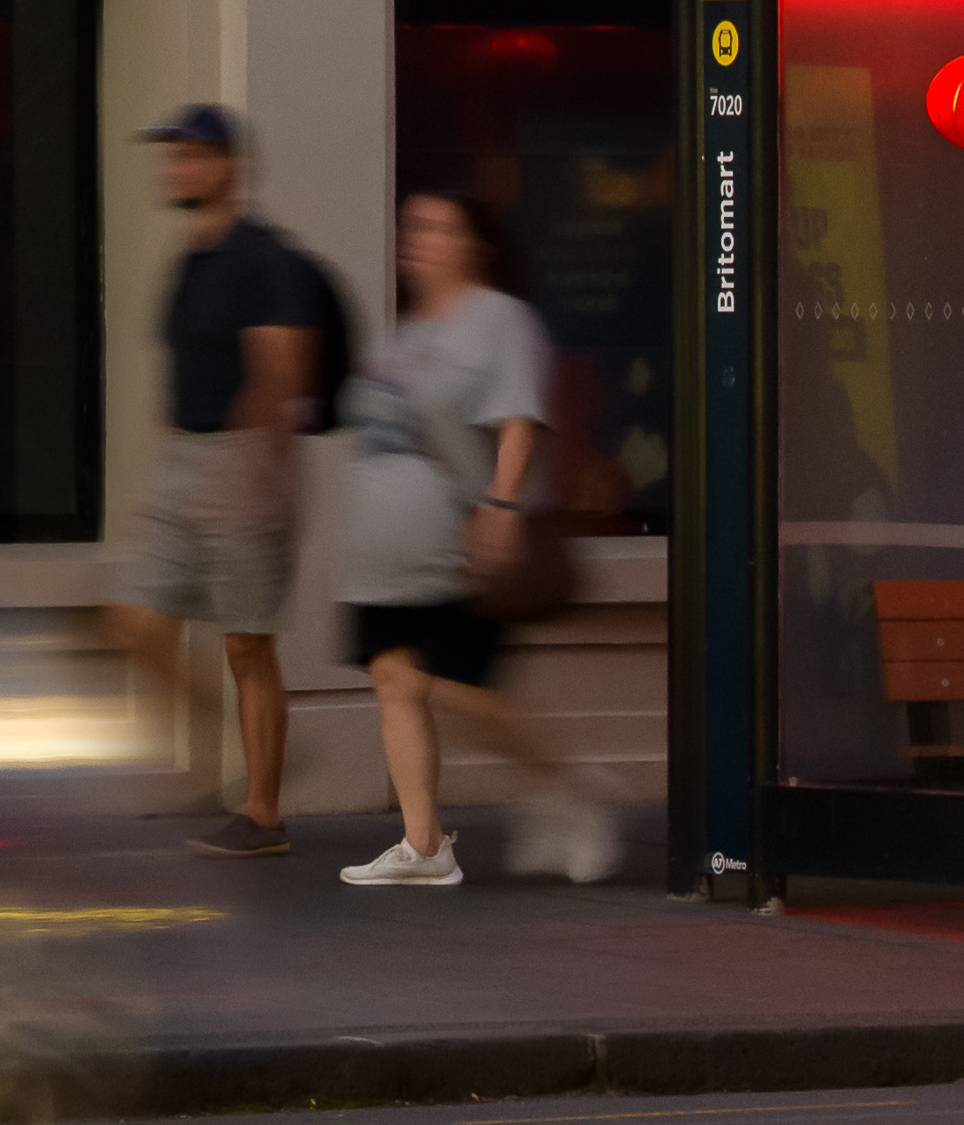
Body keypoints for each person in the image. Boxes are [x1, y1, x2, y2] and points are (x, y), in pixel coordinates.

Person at [332, 191, 619, 887]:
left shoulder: (499, 320)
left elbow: (518, 419)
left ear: (475, 244)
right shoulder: (403, 331)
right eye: (412, 225)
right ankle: (424, 846)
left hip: (456, 545)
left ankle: (570, 785)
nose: (417, 237)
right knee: (394, 680)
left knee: (458, 686)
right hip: (389, 554)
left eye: (437, 226)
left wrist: (499, 505)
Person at [106, 102, 347, 858]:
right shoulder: (188, 262)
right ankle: (244, 746)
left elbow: (283, 372)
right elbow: (177, 373)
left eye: (188, 155)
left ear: (227, 168)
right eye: (169, 155)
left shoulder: (262, 259)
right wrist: (164, 466)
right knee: (134, 623)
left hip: (246, 462)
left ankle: (264, 812)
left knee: (247, 647)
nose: (173, 168)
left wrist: (258, 474)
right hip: (185, 460)